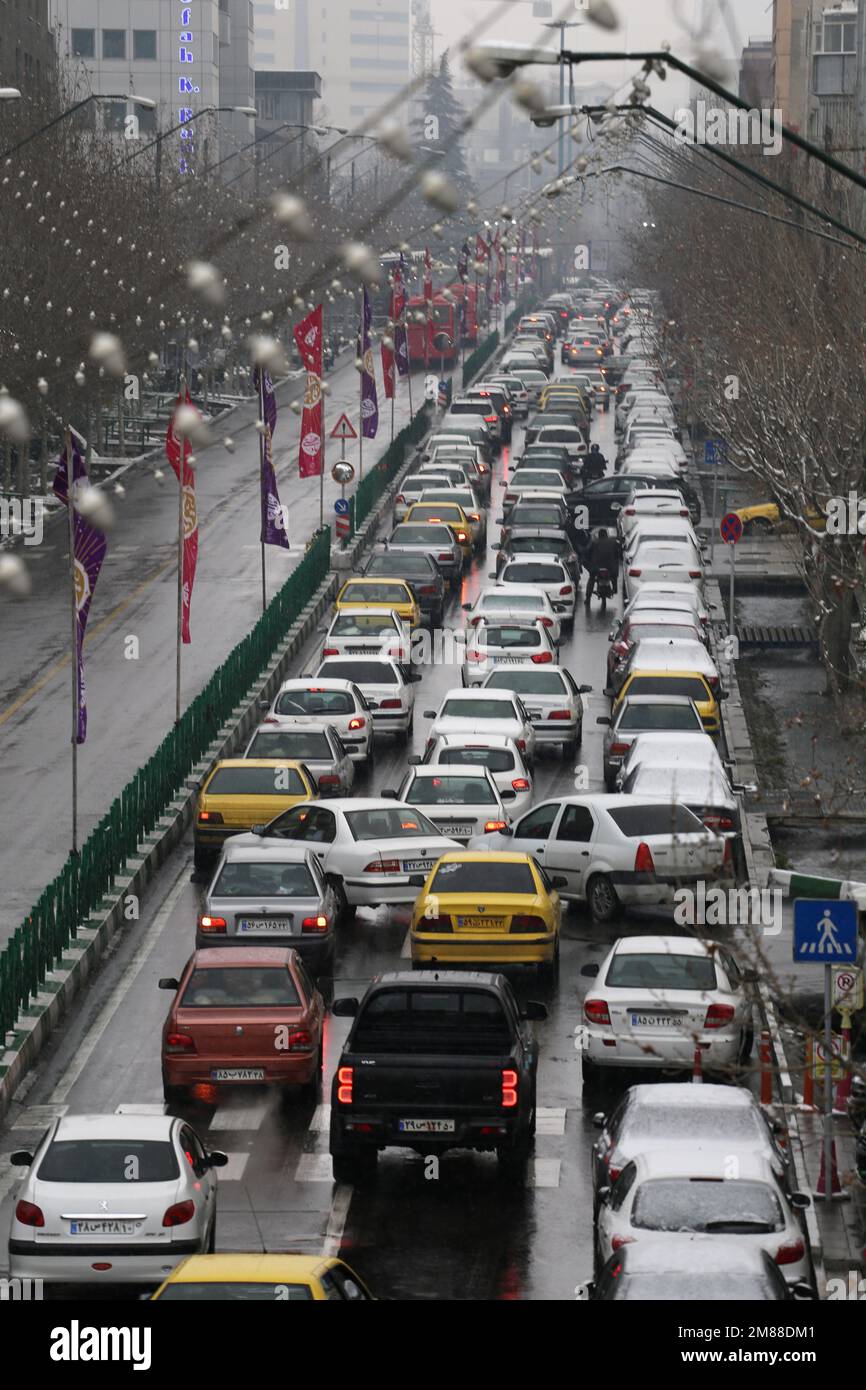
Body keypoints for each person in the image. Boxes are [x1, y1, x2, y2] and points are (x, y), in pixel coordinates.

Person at [584, 528, 621, 604]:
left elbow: (587, 552)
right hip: (610, 567)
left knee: (591, 579)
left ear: (599, 535)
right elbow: (618, 553)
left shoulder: (594, 542)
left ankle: (588, 598)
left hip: (596, 567)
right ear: (607, 535)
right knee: (614, 577)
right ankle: (614, 589)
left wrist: (588, 562)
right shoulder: (613, 542)